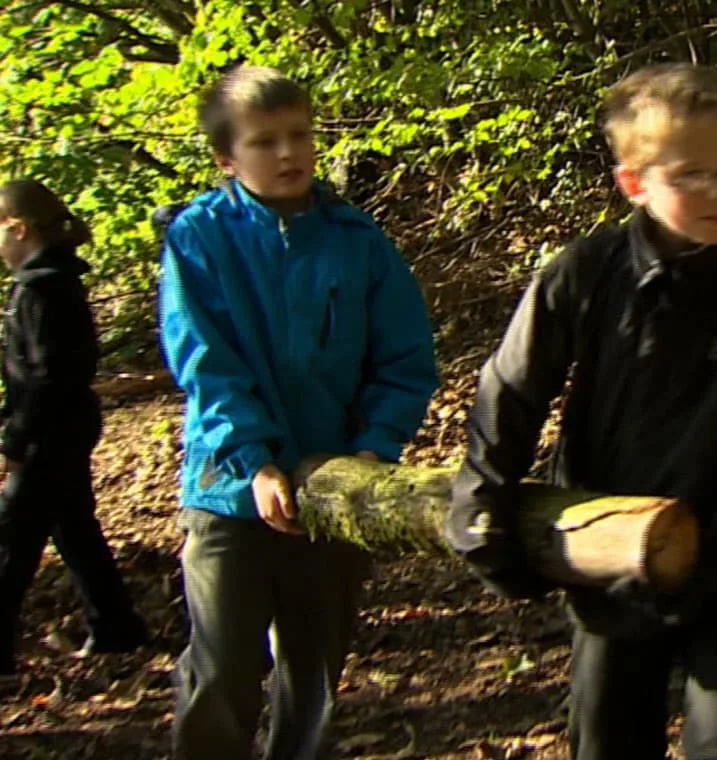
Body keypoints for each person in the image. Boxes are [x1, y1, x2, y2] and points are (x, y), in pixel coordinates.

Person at [446, 62, 717, 759]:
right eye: (689, 175)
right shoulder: (585, 276)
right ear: (635, 183)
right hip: (605, 567)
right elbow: (511, 391)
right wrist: (484, 512)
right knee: (609, 742)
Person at [158, 65, 438, 759]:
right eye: (264, 141)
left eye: (299, 135)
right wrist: (253, 463)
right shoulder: (200, 238)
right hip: (228, 492)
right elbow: (204, 363)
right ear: (227, 157)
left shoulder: (356, 240)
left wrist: (371, 451)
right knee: (223, 665)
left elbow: (403, 357)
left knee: (313, 671)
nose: (288, 154)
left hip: (331, 488)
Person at [0, 179, 148, 676]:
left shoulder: (44, 289)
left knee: (11, 539)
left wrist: (15, 440)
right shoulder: (45, 284)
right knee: (74, 531)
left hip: (51, 436)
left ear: (18, 228)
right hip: (59, 431)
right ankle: (116, 628)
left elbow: (48, 376)